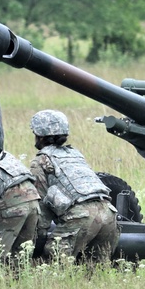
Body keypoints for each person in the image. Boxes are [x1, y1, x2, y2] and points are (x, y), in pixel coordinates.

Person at [28, 109, 118, 266]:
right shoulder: (75, 154)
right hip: (109, 213)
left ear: (40, 134)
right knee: (96, 270)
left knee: (53, 264)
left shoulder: (41, 160)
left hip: (81, 216)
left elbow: (40, 203)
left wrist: (38, 237)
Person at [0, 150, 41, 263]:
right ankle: (18, 279)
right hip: (33, 198)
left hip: (12, 201)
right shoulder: (2, 153)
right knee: (21, 257)